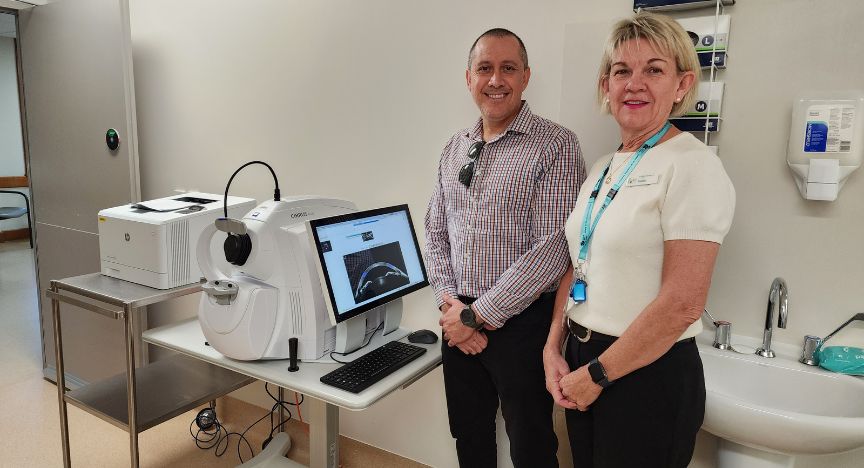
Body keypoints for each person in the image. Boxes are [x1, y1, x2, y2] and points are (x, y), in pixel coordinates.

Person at [542, 12, 735, 468]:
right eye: (622, 71)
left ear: (682, 85)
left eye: (654, 69)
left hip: (645, 374)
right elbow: (578, 260)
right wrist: (554, 344)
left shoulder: (692, 166)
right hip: (583, 355)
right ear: (605, 85)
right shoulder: (603, 167)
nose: (634, 84)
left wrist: (599, 375)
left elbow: (683, 303)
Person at [425, 28, 586, 468]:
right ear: (469, 78)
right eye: (485, 68)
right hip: (457, 316)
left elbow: (553, 248)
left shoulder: (556, 145)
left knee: (532, 444)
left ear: (526, 76)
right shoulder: (454, 147)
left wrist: (480, 316)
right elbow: (436, 230)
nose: (496, 79)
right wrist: (451, 307)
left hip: (523, 323)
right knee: (469, 434)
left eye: (508, 68)